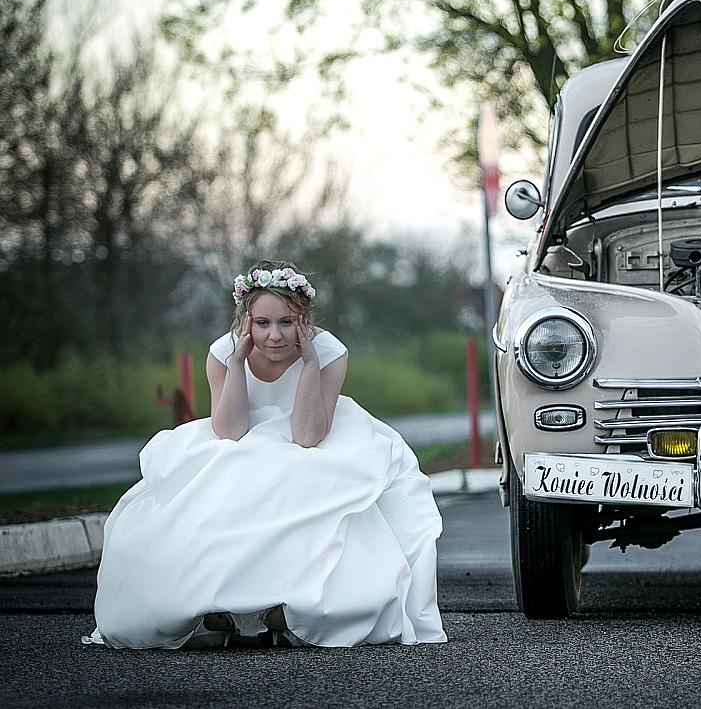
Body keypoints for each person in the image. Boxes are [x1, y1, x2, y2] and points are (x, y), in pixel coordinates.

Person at [84, 261, 447, 647]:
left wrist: (309, 362)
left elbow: (308, 435)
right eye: (262, 324)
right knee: (222, 478)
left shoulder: (329, 353)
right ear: (246, 322)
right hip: (244, 437)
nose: (274, 336)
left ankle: (297, 608)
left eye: (286, 323)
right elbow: (230, 432)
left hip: (312, 434)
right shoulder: (223, 354)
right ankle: (213, 608)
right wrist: (237, 361)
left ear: (302, 319)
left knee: (305, 478)